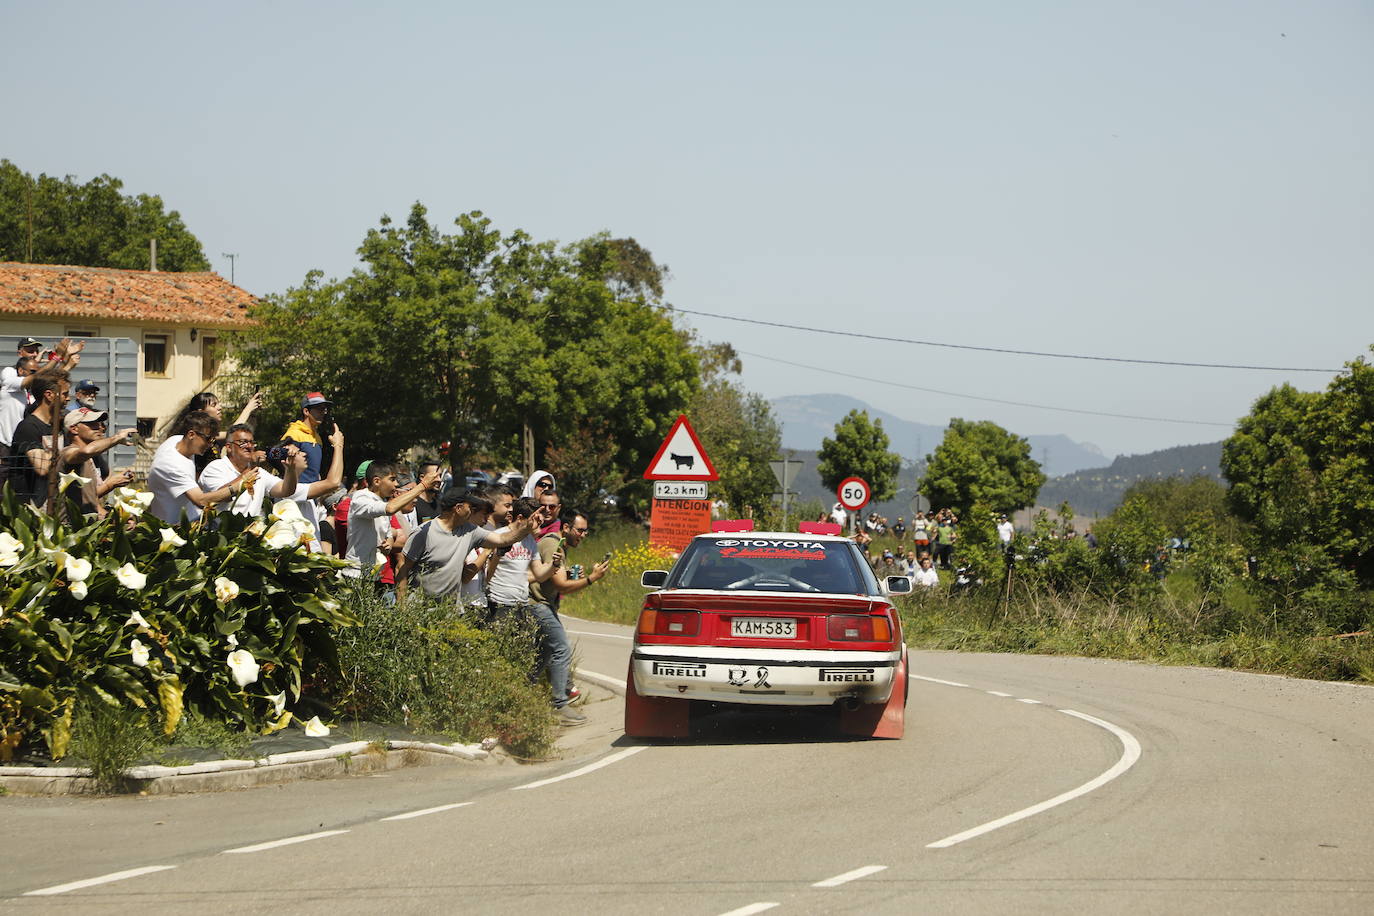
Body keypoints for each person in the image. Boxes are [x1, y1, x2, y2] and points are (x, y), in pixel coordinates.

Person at [527, 508, 611, 711]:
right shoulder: (552, 544)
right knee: (561, 648)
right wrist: (591, 578)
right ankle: (561, 703)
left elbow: (556, 579)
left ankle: (525, 695)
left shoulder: (561, 545)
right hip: (537, 604)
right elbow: (561, 586)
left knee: (545, 652)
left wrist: (574, 576)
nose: (583, 535)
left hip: (544, 603)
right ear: (566, 527)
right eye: (580, 530)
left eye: (585, 532)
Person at [395, 488, 544, 601]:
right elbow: (402, 567)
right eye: (471, 508)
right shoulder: (424, 532)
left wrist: (525, 529)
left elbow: (503, 540)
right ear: (458, 508)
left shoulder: (470, 530)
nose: (473, 512)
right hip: (421, 607)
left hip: (450, 611)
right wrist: (402, 608)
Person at [343, 461, 440, 595]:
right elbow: (390, 509)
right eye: (392, 479)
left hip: (374, 575)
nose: (396, 484)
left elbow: (388, 532)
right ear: (377, 481)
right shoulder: (361, 497)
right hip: (355, 574)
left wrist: (388, 541)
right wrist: (422, 486)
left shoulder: (382, 501)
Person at [146, 411, 255, 524]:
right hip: (173, 528)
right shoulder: (171, 465)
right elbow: (200, 500)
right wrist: (239, 484)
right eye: (208, 439)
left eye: (213, 440)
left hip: (192, 518)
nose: (210, 445)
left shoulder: (177, 441)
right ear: (191, 435)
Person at [59, 408, 137, 518]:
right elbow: (86, 451)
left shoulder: (90, 458)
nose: (99, 427)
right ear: (74, 429)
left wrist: (116, 519)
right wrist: (117, 437)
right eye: (91, 424)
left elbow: (91, 499)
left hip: (87, 526)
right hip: (70, 529)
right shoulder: (68, 452)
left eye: (99, 423)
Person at [10, 369, 71, 507]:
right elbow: (42, 468)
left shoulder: (59, 425)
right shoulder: (28, 427)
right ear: (49, 395)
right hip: (31, 508)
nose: (68, 398)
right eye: (65, 394)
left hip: (54, 502)